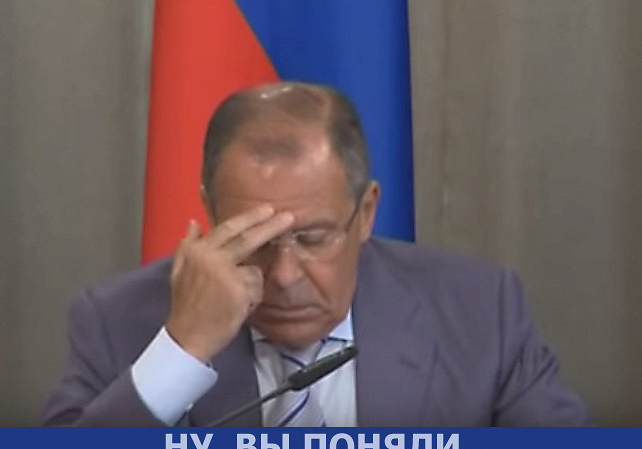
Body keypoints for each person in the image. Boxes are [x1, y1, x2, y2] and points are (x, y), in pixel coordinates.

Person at [43, 82, 590, 426]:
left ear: (366, 212)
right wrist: (182, 352)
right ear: (209, 211)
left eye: (314, 238)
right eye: (255, 241)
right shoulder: (117, 321)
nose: (284, 276)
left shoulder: (481, 311)